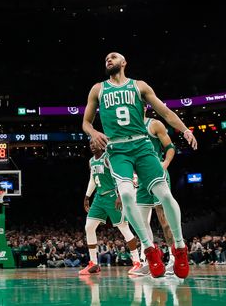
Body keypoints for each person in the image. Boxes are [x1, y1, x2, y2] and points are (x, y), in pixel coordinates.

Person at [82, 52, 198, 278]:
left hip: (142, 145)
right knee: (126, 196)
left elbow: (165, 112)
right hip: (117, 149)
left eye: (114, 57)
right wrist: (94, 132)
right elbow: (86, 122)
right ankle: (149, 248)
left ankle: (180, 246)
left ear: (124, 63)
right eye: (106, 57)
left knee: (164, 196)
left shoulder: (139, 86)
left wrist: (185, 130)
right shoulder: (98, 89)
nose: (108, 59)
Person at [78, 143, 143, 276]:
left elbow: (119, 176)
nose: (92, 145)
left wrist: (120, 194)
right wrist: (86, 196)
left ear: (102, 144)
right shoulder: (91, 161)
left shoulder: (109, 158)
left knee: (123, 228)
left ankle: (137, 262)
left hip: (112, 196)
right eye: (90, 143)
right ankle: (94, 263)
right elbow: (93, 179)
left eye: (94, 143)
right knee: (89, 227)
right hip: (99, 197)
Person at [134, 116, 178, 275]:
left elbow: (170, 147)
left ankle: (174, 258)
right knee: (141, 222)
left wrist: (164, 164)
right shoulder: (130, 127)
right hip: (140, 178)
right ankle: (151, 259)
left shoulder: (153, 124)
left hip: (156, 174)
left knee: (164, 219)